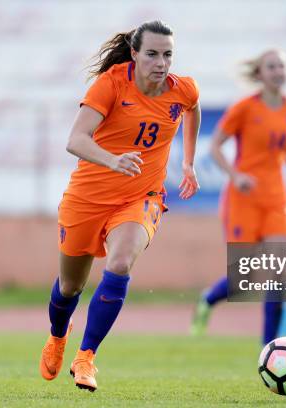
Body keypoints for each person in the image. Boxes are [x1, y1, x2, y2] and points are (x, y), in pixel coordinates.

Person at [40, 20, 200, 392]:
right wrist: (112, 160)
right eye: (153, 54)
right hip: (88, 198)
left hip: (140, 198)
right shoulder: (111, 84)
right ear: (134, 54)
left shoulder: (183, 89)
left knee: (120, 262)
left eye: (168, 55)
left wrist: (188, 162)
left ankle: (86, 358)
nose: (161, 63)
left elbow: (193, 109)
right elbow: (75, 140)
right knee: (69, 286)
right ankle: (58, 338)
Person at [190, 49, 286, 345]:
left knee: (278, 275)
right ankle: (208, 299)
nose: (277, 71)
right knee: (243, 280)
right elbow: (215, 147)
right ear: (260, 74)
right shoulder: (244, 108)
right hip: (243, 199)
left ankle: (270, 351)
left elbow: (285, 151)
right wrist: (235, 176)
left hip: (276, 199)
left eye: (281, 66)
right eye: (271, 67)